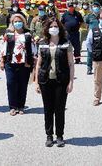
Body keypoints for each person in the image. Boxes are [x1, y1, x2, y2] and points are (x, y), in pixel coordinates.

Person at [34, 17, 74, 147]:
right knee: (48, 109)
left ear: (60, 28)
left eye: (56, 26)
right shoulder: (42, 43)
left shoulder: (66, 43)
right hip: (45, 81)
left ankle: (60, 135)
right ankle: (49, 135)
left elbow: (71, 64)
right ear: (47, 29)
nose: (54, 28)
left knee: (60, 109)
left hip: (61, 81)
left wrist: (71, 82)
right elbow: (38, 64)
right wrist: (36, 82)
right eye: (51, 26)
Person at [0, 14, 37, 116]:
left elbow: (33, 50)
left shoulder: (28, 34)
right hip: (10, 63)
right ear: (12, 23)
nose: (17, 23)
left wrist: (32, 63)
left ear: (23, 23)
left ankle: (21, 106)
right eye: (15, 21)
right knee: (11, 84)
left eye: (19, 21)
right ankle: (12, 107)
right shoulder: (8, 35)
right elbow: (3, 49)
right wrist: (2, 61)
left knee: (22, 85)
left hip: (24, 64)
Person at [84, 2, 101, 75]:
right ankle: (89, 68)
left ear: (99, 7)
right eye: (94, 6)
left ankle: (100, 69)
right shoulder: (89, 16)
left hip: (100, 37)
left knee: (100, 53)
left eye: (97, 6)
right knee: (90, 53)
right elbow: (86, 24)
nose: (95, 8)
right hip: (91, 37)